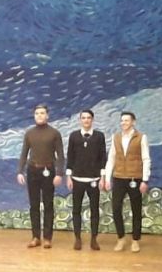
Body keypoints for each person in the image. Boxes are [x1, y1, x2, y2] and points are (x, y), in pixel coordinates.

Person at [16, 105, 64, 248]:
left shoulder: (54, 133)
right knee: (34, 205)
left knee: (48, 204)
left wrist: (59, 173)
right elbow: (24, 153)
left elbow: (60, 155)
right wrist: (20, 171)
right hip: (33, 171)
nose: (39, 115)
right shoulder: (29, 133)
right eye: (37, 113)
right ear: (34, 116)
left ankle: (47, 238)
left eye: (42, 113)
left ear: (47, 115)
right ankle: (36, 237)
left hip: (48, 171)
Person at [103, 111, 150, 253]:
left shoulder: (141, 137)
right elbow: (111, 158)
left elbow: (146, 159)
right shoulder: (116, 137)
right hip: (118, 178)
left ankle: (135, 240)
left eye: (126, 120)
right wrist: (107, 178)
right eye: (122, 120)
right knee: (116, 207)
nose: (123, 123)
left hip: (135, 178)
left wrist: (145, 180)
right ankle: (121, 238)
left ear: (133, 122)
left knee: (136, 209)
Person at [65, 109, 107, 251]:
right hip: (77, 179)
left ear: (92, 119)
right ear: (80, 120)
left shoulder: (99, 136)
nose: (86, 120)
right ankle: (77, 238)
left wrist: (103, 177)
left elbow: (103, 157)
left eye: (88, 118)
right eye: (83, 118)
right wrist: (69, 176)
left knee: (94, 210)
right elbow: (70, 157)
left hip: (94, 179)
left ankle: (94, 239)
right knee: (76, 209)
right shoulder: (74, 136)